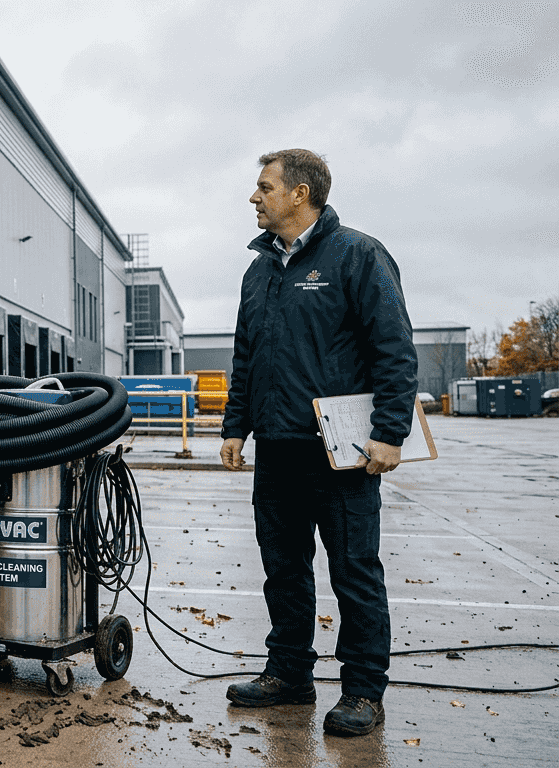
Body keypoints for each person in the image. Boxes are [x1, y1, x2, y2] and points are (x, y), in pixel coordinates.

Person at [220, 149, 417, 737]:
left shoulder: (357, 254)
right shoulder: (258, 272)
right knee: (283, 568)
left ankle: (362, 690)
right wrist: (235, 426)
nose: (254, 198)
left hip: (343, 450)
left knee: (354, 570)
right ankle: (289, 674)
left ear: (299, 194)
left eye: (264, 188)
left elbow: (393, 347)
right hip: (278, 448)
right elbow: (246, 357)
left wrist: (390, 433)